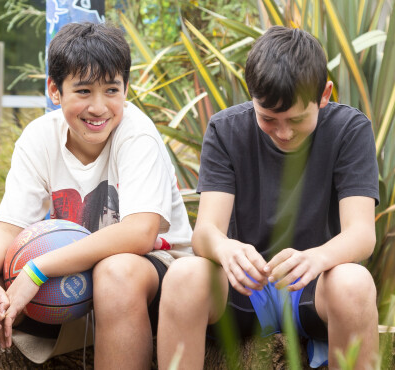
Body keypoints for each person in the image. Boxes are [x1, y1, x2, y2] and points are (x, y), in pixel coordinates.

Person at [0, 22, 193, 369]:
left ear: (126, 89)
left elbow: (140, 233)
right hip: (69, 283)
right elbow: (8, 229)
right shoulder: (39, 138)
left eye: (111, 90)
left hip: (151, 275)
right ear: (55, 90)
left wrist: (37, 270)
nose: (98, 107)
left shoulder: (138, 136)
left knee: (115, 273)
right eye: (83, 91)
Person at [158, 26, 379, 369]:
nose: (284, 132)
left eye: (297, 119)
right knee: (183, 275)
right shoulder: (225, 130)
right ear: (253, 98)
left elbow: (362, 234)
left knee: (355, 282)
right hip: (245, 288)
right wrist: (225, 248)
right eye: (268, 119)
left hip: (315, 287)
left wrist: (317, 258)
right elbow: (205, 233)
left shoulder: (350, 129)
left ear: (324, 95)